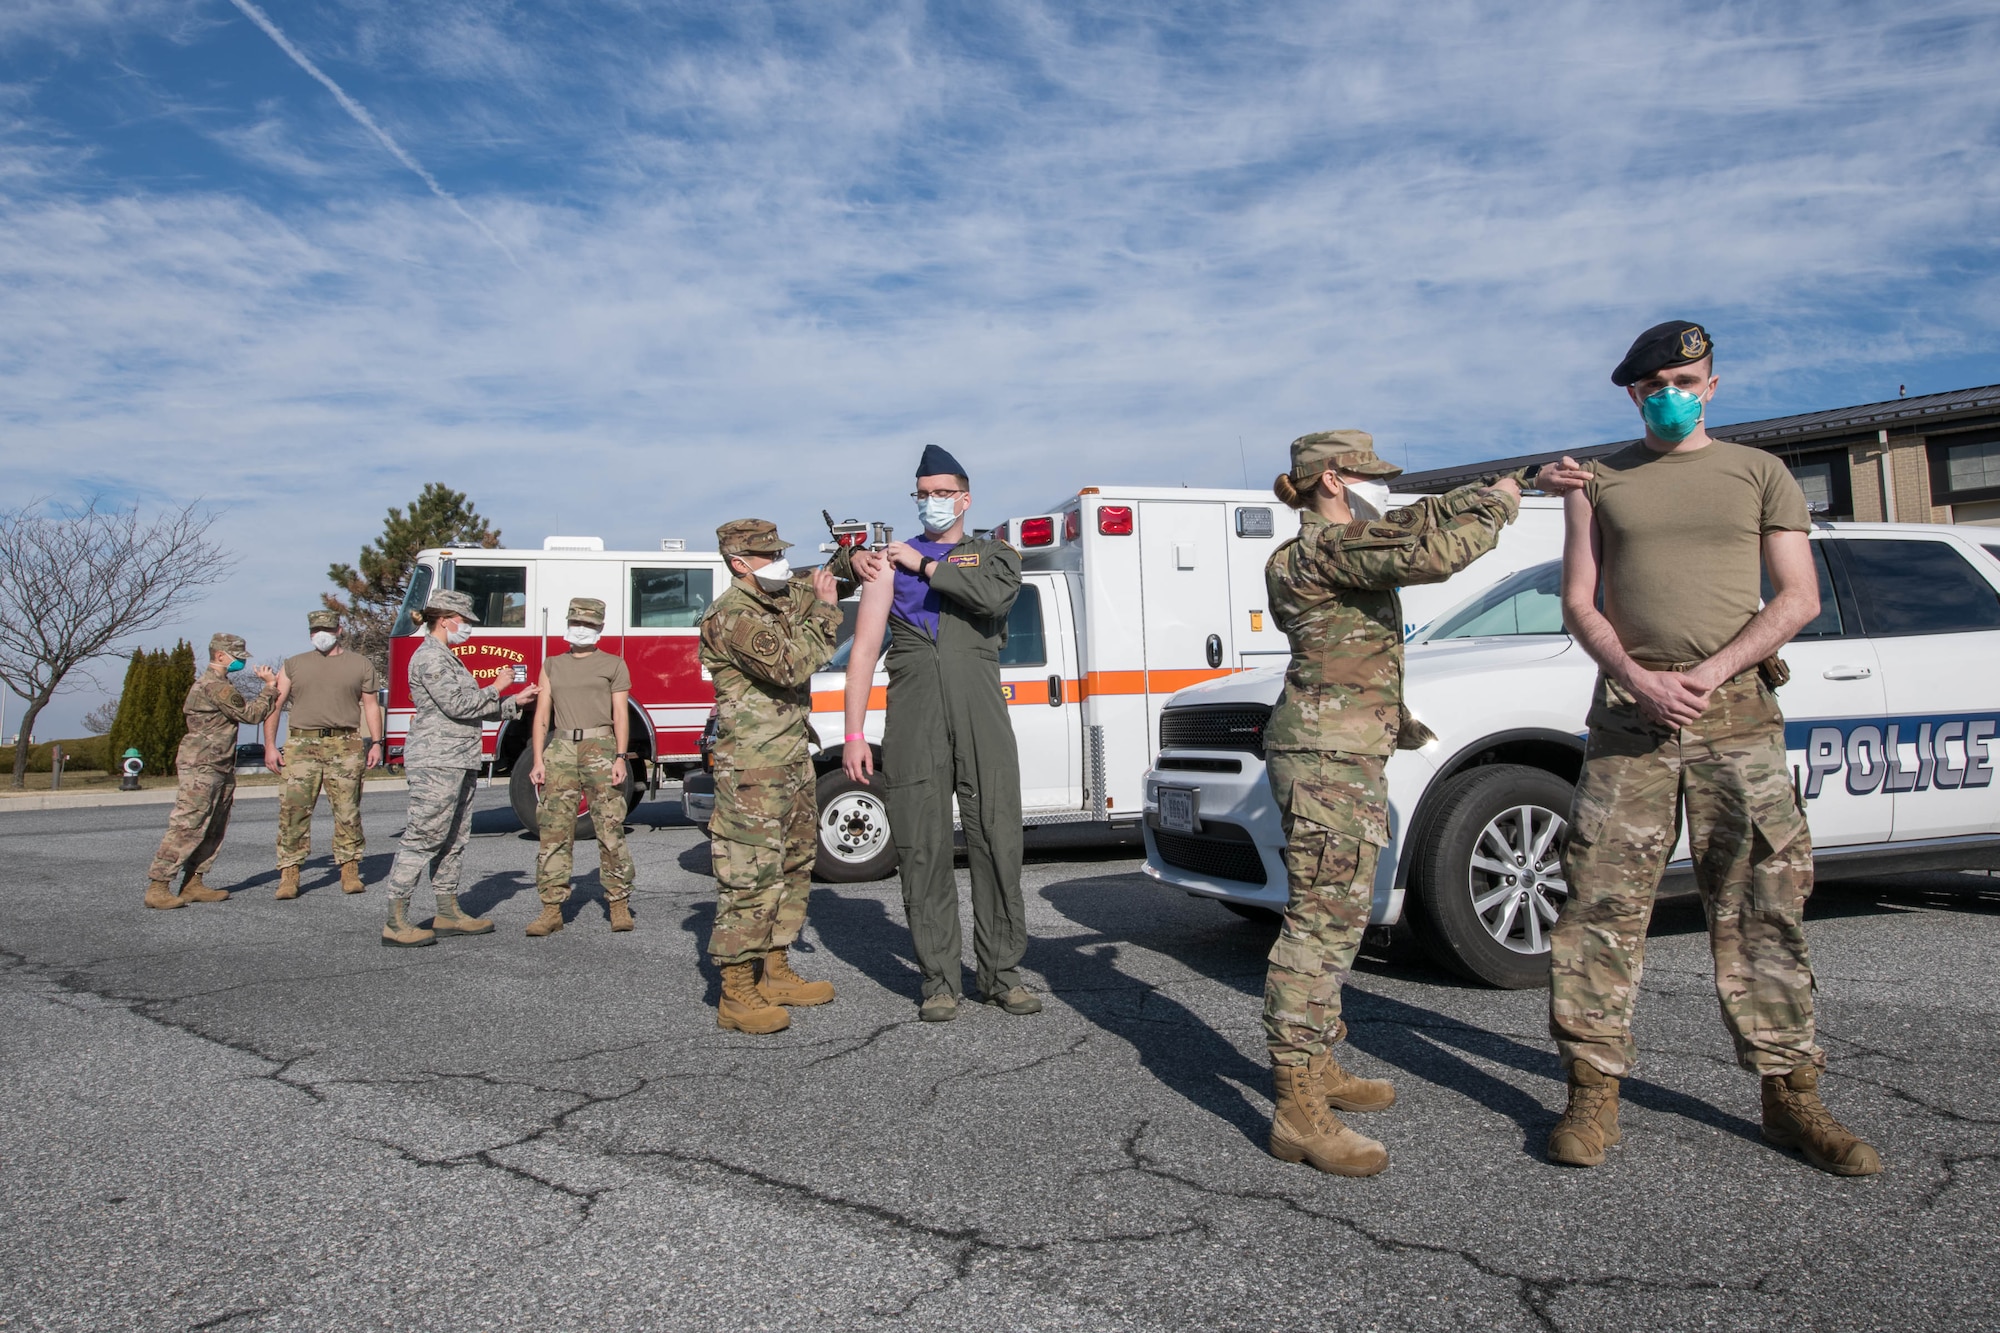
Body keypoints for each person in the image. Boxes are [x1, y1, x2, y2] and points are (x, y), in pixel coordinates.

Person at [1534, 320, 1879, 1176]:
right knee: (1599, 910)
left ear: (1712, 385)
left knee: (1762, 904)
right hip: (1631, 720)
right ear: (1633, 393)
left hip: (1737, 719)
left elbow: (1796, 597)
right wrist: (1641, 677)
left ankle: (1790, 1094)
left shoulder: (1759, 473)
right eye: (1653, 384)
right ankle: (1592, 1089)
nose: (1669, 393)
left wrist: (1712, 670)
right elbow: (1581, 600)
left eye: (1685, 378)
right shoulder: (1597, 479)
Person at [1260, 430, 1521, 1176]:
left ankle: (1324, 1063)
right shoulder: (1322, 549)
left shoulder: (1341, 541)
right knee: (1319, 924)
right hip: (1326, 763)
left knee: (1340, 916)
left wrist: (1479, 489)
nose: (1384, 492)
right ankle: (1296, 1105)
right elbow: (1430, 552)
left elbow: (1411, 523)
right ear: (1335, 480)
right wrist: (1499, 508)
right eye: (1370, 479)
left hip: (1342, 755)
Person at [842, 444, 1040, 1023]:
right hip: (914, 717)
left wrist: (925, 565)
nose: (931, 503)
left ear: (964, 498)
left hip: (982, 716)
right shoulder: (886, 565)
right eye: (922, 494)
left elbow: (993, 597)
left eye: (941, 493)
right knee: (921, 847)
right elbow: (863, 652)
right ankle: (939, 981)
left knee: (997, 843)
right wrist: (854, 734)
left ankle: (1002, 976)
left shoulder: (994, 554)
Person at [699, 519, 844, 1034]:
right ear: (740, 563)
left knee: (795, 865)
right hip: (752, 770)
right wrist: (827, 611)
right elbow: (790, 666)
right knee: (750, 876)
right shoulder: (732, 616)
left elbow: (814, 586)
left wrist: (848, 565)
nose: (781, 562)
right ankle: (736, 992)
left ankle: (775, 969)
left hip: (791, 759)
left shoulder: (771, 601)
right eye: (769, 556)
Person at [382, 589, 536, 948]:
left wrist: (514, 701)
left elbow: (471, 708)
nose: (467, 627)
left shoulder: (447, 657)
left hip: (458, 758)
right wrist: (499, 686)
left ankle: (447, 912)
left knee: (453, 838)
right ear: (445, 619)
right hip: (436, 760)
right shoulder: (430, 658)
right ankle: (395, 919)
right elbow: (459, 705)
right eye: (464, 620)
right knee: (424, 837)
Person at [525, 597, 637, 937]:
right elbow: (542, 713)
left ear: (600, 628)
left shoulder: (614, 664)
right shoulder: (552, 665)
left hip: (601, 748)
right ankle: (551, 909)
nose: (581, 629)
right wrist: (538, 759)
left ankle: (618, 903)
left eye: (588, 625)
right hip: (560, 748)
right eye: (576, 623)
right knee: (554, 830)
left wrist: (620, 756)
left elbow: (621, 713)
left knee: (609, 827)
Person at [143, 635, 281, 909]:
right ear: (220, 656)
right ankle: (158, 886)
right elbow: (251, 715)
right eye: (237, 656)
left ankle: (193, 882)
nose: (241, 661)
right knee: (189, 824)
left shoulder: (222, 685)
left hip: (219, 763)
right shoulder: (214, 686)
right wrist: (269, 687)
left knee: (215, 826)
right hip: (203, 764)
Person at [264, 609, 384, 899]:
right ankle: (290, 873)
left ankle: (349, 868)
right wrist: (270, 745)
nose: (322, 635)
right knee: (293, 811)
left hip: (345, 744)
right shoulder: (293, 665)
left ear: (339, 630)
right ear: (309, 633)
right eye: (316, 630)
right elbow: (275, 706)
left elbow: (370, 705)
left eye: (327, 629)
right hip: (301, 746)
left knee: (347, 811)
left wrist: (377, 742)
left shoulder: (360, 664)